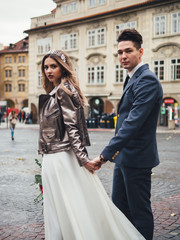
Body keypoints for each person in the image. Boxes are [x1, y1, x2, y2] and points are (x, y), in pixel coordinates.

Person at [38, 49, 145, 240]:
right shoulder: (54, 91)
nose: (49, 70)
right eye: (46, 67)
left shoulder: (63, 91)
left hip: (62, 158)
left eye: (53, 66)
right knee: (62, 208)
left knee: (71, 208)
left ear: (63, 68)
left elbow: (73, 129)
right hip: (52, 158)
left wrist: (83, 160)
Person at [93, 29, 163, 240]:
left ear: (140, 52)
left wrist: (104, 155)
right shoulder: (132, 78)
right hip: (123, 157)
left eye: (128, 51)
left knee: (139, 212)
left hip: (138, 159)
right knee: (120, 209)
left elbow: (132, 124)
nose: (123, 56)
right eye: (120, 52)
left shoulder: (147, 80)